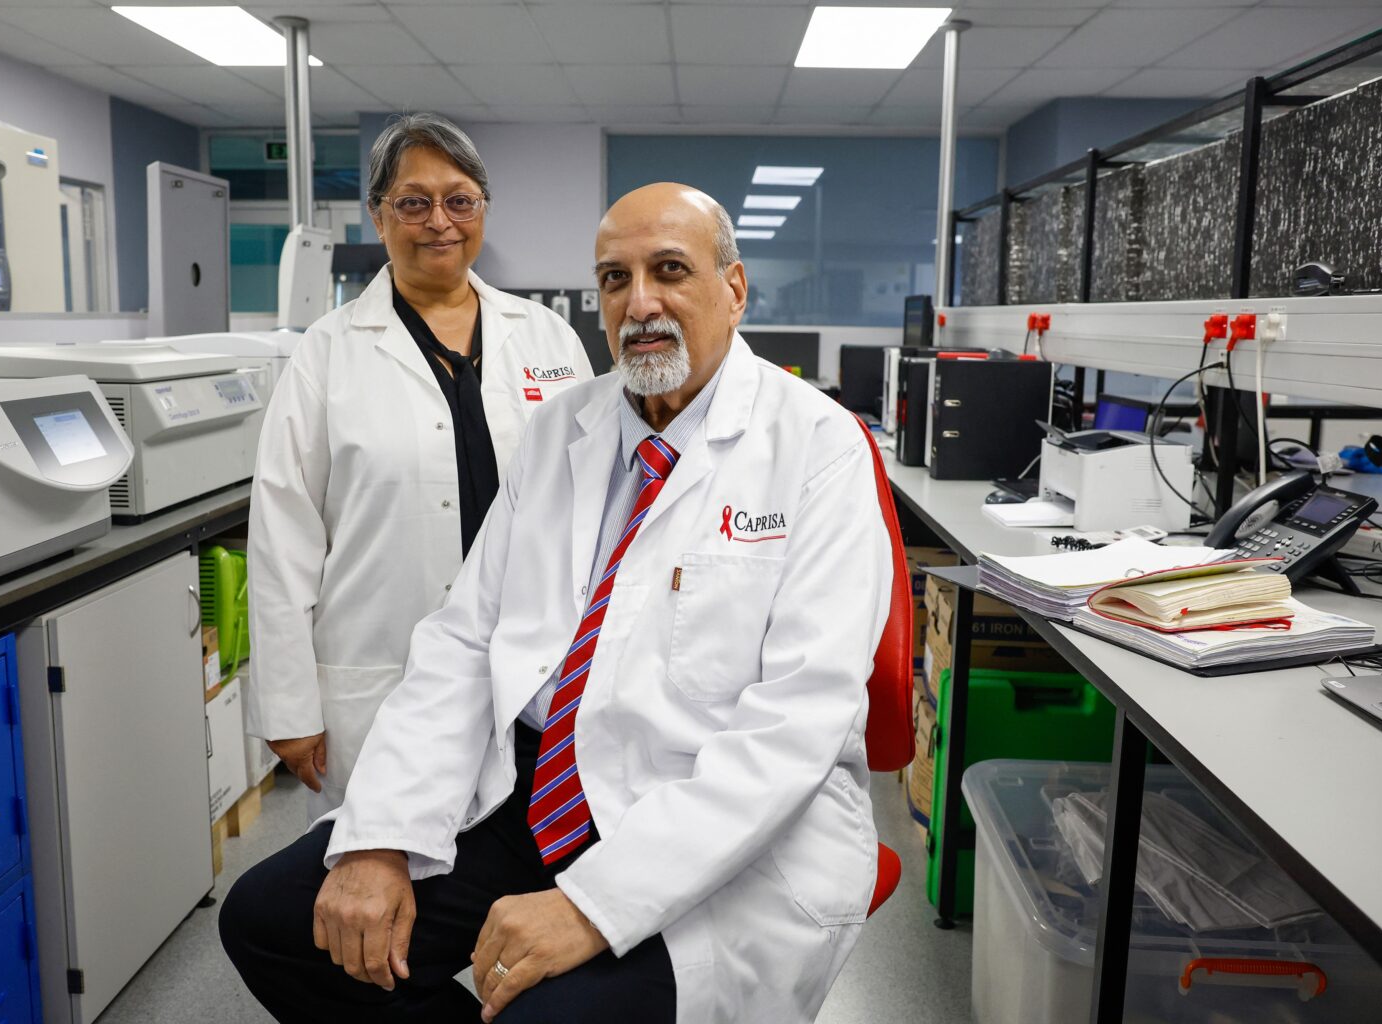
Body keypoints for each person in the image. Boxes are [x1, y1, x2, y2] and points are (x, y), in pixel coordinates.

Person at [222, 182, 894, 1024]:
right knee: (272, 922)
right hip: (534, 788)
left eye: (670, 271)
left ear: (734, 288)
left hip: (712, 815)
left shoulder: (816, 444)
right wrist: (381, 836)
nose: (639, 303)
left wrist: (593, 904)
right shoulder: (562, 429)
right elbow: (465, 643)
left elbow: (797, 722)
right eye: (615, 279)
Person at [246, 113, 593, 819]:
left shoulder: (548, 338)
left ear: (483, 211)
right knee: (385, 876)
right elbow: (282, 536)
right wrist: (288, 703)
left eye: (459, 200)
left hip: (534, 670)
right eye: (413, 202)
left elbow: (594, 503)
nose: (440, 220)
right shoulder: (327, 352)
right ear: (378, 217)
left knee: (518, 879)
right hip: (385, 672)